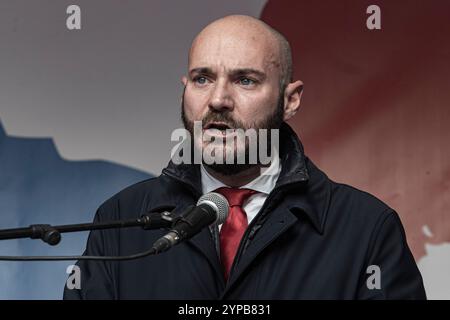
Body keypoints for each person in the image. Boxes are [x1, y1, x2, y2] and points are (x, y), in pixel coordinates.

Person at [63, 15, 426, 299]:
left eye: (245, 80)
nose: (218, 99)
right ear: (184, 90)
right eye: (202, 79)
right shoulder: (120, 219)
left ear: (290, 99)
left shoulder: (367, 229)